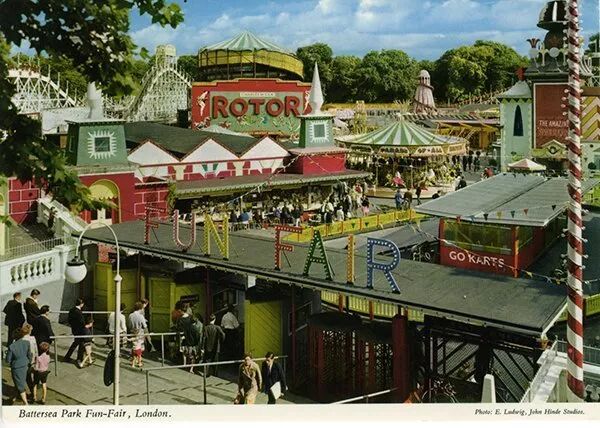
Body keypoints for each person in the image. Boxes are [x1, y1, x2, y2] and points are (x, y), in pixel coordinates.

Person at [6, 327, 32, 405]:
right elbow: (29, 355)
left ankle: (26, 403)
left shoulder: (12, 346)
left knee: (20, 385)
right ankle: (13, 398)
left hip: (16, 367)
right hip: (25, 365)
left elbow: (8, 360)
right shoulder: (27, 343)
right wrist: (28, 362)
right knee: (19, 382)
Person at [64, 298, 87, 366]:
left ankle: (67, 356)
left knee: (76, 343)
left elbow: (69, 320)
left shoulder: (72, 310)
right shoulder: (79, 312)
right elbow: (82, 322)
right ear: (81, 304)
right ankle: (79, 359)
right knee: (81, 344)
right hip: (80, 330)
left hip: (74, 329)